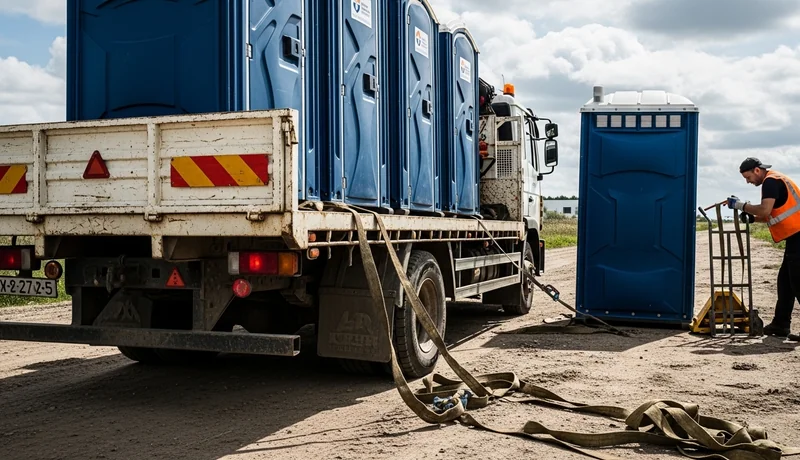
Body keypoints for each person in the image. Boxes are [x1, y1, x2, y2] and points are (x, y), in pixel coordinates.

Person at [727, 157, 800, 337]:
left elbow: (764, 210)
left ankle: (781, 324)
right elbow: (772, 214)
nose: (748, 181)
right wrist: (751, 217)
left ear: (757, 170)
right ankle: (780, 324)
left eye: (748, 177)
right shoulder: (776, 179)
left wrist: (740, 205)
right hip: (796, 237)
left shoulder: (770, 182)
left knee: (798, 283)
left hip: (799, 236)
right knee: (785, 282)